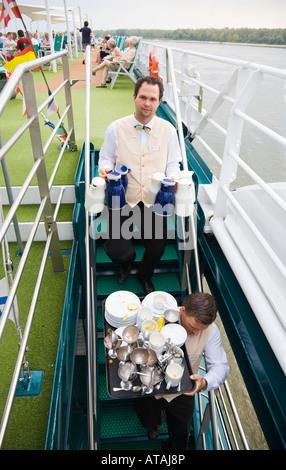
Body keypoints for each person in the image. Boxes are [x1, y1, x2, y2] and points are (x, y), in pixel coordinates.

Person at [98, 76, 182, 293]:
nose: (147, 103)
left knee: (158, 246)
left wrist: (173, 177)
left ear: (159, 101)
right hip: (123, 197)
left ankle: (145, 275)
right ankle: (127, 260)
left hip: (155, 200)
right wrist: (106, 169)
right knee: (115, 250)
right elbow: (106, 159)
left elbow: (173, 163)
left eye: (153, 99)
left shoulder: (168, 130)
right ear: (134, 97)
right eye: (143, 97)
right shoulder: (115, 128)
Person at [134, 292, 230, 450]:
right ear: (182, 311)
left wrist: (204, 382)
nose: (196, 333)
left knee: (180, 434)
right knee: (147, 417)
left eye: (201, 329)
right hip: (151, 384)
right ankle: (156, 424)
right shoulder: (157, 318)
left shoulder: (211, 332)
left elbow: (221, 366)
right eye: (193, 327)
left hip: (183, 392)